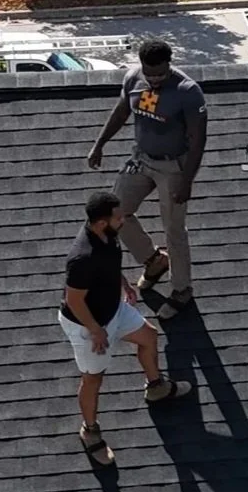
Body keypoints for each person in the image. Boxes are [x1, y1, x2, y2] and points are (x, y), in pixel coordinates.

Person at [61, 192, 193, 465]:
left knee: (149, 336)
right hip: (88, 324)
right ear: (100, 223)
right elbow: (73, 300)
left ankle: (155, 387)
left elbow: (109, 263)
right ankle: (90, 430)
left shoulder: (107, 235)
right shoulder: (82, 257)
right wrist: (96, 330)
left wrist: (121, 283)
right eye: (118, 217)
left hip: (113, 309)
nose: (123, 220)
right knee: (93, 378)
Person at [86, 39, 208, 320]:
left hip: (173, 167)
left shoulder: (187, 91)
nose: (154, 80)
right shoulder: (133, 79)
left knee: (173, 229)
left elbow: (198, 139)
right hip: (141, 160)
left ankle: (181, 289)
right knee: (114, 212)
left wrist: (187, 180)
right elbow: (121, 111)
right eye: (149, 74)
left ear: (170, 64)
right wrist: (99, 143)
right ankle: (154, 261)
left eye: (160, 74)